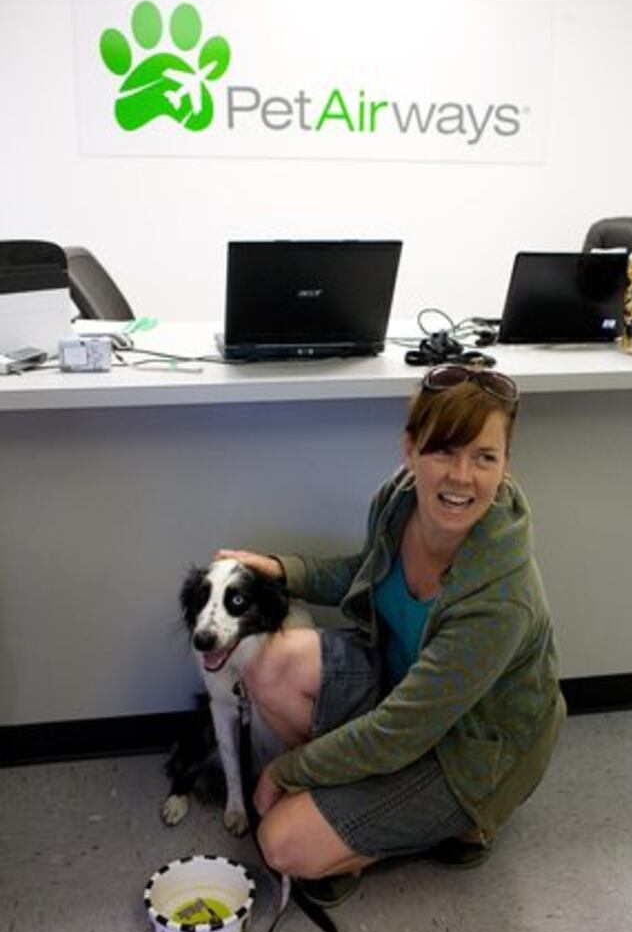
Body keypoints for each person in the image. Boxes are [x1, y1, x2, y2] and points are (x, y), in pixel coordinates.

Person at [217, 364, 566, 904]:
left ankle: (447, 826)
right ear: (410, 448)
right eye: (443, 451)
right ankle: (351, 812)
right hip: (399, 688)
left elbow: (399, 733)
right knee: (269, 662)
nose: (462, 477)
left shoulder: (501, 598)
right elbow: (365, 572)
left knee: (280, 842)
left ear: (506, 464)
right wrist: (283, 570)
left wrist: (289, 770)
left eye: (484, 457)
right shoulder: (398, 499)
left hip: (469, 752)